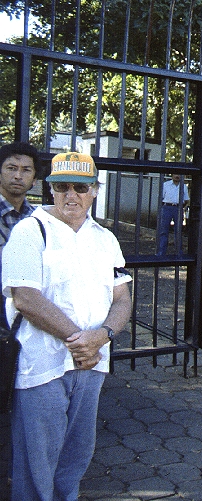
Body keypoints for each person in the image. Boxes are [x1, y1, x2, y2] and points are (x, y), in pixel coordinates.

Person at [3, 151, 132, 500]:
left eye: (80, 186)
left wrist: (102, 336)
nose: (70, 195)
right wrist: (80, 341)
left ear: (94, 190)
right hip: (43, 364)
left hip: (92, 364)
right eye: (62, 186)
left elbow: (122, 298)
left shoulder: (105, 238)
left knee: (75, 458)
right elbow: (26, 298)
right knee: (36, 465)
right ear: (50, 189)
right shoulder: (29, 232)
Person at [0, 142, 39, 330]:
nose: (17, 175)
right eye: (11, 168)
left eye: (26, 170)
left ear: (34, 179)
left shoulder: (39, 219)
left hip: (28, 320)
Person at [156, 174, 189, 255]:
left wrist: (180, 207)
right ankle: (161, 252)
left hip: (178, 208)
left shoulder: (183, 186)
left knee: (178, 231)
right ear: (172, 175)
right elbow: (161, 197)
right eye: (175, 174)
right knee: (163, 231)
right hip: (167, 207)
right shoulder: (166, 185)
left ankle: (179, 253)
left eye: (179, 174)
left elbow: (186, 199)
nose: (177, 176)